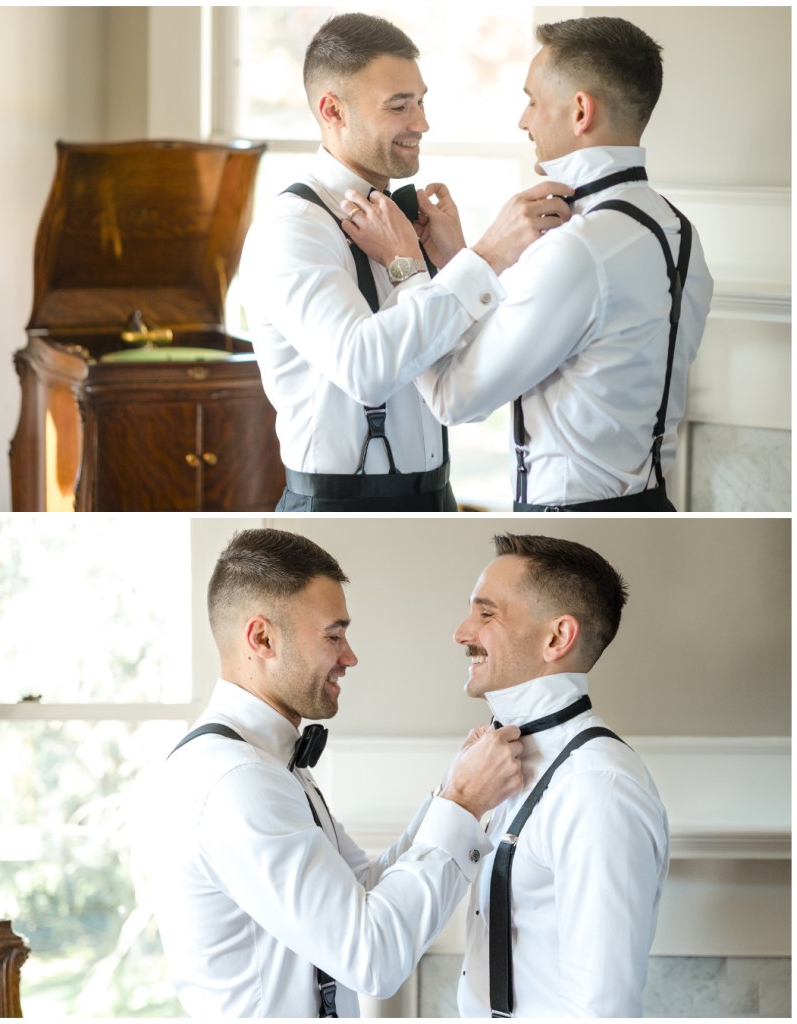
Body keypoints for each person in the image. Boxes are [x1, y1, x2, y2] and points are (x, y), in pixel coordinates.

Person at [145, 528, 525, 1018]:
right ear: (261, 638)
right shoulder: (236, 783)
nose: (350, 656)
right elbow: (373, 958)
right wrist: (465, 805)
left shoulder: (267, 763)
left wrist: (452, 792)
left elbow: (364, 889)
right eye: (333, 635)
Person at [341, 16, 715, 511]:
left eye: (533, 100)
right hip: (654, 504)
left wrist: (407, 267)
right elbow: (541, 341)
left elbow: (455, 398)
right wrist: (457, 259)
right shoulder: (678, 229)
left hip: (571, 516)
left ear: (580, 111)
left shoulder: (578, 248)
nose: (524, 121)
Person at [240, 13, 571, 512]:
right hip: (339, 509)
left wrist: (450, 260)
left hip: (439, 497)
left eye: (420, 101)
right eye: (399, 106)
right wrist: (486, 257)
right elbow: (364, 368)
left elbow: (465, 384)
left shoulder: (409, 228)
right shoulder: (293, 230)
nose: (421, 123)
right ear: (333, 110)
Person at [452, 533, 669, 1016]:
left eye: (486, 614)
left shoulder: (596, 787)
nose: (462, 632)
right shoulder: (491, 761)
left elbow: (600, 1009)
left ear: (556, 638)